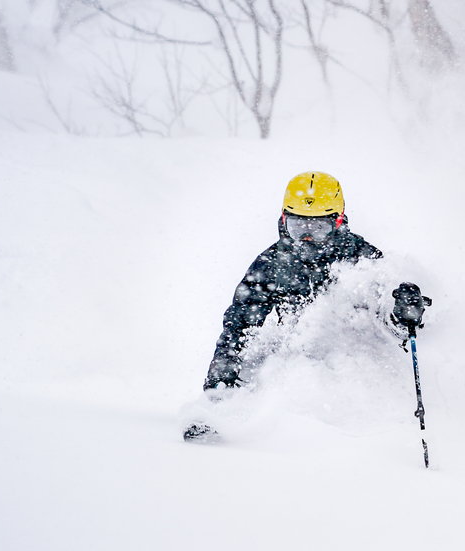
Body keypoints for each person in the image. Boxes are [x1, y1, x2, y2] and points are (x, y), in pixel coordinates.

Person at [185, 171, 431, 442]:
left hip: (356, 361)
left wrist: (402, 311)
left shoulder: (361, 257)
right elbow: (238, 328)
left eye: (318, 229)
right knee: (261, 366)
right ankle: (226, 417)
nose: (307, 239)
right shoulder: (270, 265)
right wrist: (218, 389)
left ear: (338, 222)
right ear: (283, 221)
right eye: (298, 228)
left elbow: (386, 310)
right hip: (300, 362)